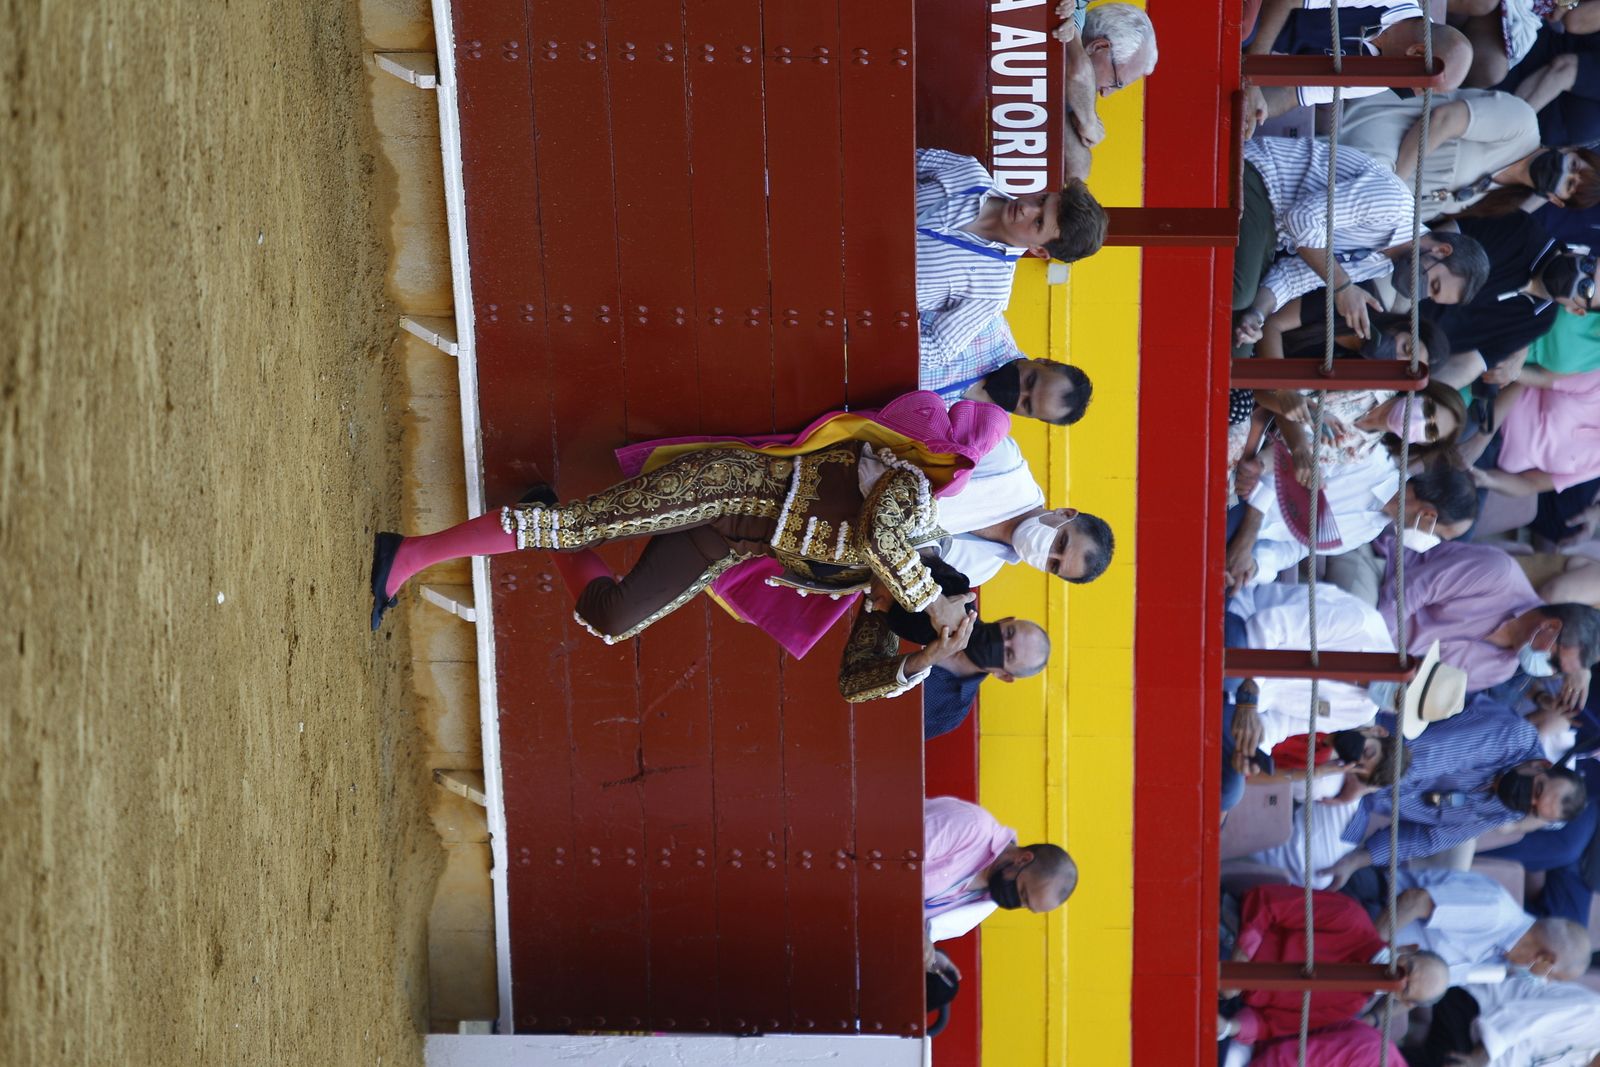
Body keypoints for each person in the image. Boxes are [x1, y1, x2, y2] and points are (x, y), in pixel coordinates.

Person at [370, 391, 1010, 640]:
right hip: (723, 488)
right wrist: (932, 602)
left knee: (614, 619)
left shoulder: (867, 583)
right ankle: (407, 555)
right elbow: (882, 536)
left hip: (719, 545)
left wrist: (927, 647)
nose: (872, 605)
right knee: (572, 526)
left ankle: (541, 515)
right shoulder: (914, 499)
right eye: (886, 602)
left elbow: (860, 678)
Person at [1232, 137, 1489, 347]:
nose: (1421, 292)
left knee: (1238, 343)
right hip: (1259, 178)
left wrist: (1256, 317)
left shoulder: (1383, 266)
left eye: (1430, 296)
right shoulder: (1395, 205)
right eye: (1433, 284)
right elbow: (1301, 218)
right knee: (1239, 293)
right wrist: (1343, 288)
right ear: (1441, 250)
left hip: (1269, 230)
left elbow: (1292, 277)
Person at [1319, 696, 1589, 889]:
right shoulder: (1512, 737)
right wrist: (1363, 786)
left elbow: (1426, 839)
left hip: (1363, 797)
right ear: (1543, 764)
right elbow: (1422, 756)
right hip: (1372, 740)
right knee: (1321, 785)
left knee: (1320, 872)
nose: (1526, 797)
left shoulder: (1503, 810)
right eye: (1537, 788)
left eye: (1532, 807)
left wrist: (1357, 860)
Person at [915, 147, 1107, 373]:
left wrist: (885, 323)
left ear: (1039, 251)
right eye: (1042, 199)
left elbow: (937, 351)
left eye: (1038, 222)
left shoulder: (992, 290)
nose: (1027, 207)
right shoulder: (967, 172)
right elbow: (893, 151)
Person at [1218, 884, 1450, 1045]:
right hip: (1229, 933)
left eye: (1406, 987)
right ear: (1408, 949)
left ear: (1405, 1001)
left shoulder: (1348, 1007)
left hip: (1226, 993)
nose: (1399, 978)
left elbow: (1268, 1025)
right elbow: (1266, 902)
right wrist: (1240, 962)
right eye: (1407, 967)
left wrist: (1228, 1028)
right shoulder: (1352, 919)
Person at [1377, 533, 1600, 697]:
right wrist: (1376, 651)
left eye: (1558, 671)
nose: (1549, 670)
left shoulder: (1499, 671)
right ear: (1551, 626)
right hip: (1379, 584)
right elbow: (1408, 590)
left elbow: (1427, 689)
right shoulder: (1500, 575)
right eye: (1555, 661)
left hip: (1379, 658)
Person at [1339, 89, 1600, 222]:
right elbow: (1444, 120)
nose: (1564, 172)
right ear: (1569, 150)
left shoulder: (1500, 200)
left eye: (1569, 184)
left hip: (1375, 189)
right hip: (1382, 127)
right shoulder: (1523, 125)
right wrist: (1394, 182)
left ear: (1556, 200)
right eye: (1574, 165)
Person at [1225, 455, 1478, 591]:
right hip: (1237, 498)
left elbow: (1296, 548)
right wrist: (1244, 543)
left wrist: (1254, 567)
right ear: (1429, 516)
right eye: (1440, 536)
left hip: (1242, 542)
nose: (1433, 543)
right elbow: (1281, 462)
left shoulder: (1368, 531)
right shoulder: (1367, 459)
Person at [1429, 213, 1596, 390]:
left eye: (1585, 287)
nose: (1579, 274)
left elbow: (1471, 362)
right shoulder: (1523, 231)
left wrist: (1424, 394)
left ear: (1576, 310)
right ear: (1582, 252)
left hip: (1411, 345)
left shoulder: (1540, 322)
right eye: (1589, 265)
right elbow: (1430, 242)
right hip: (1406, 284)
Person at [1342, 867, 1592, 982]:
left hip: (1374, 956)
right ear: (1546, 960)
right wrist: (1371, 953)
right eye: (1553, 978)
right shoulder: (1495, 912)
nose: (1544, 983)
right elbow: (1414, 901)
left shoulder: (1498, 962)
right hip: (1370, 907)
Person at [1245, 0, 1473, 124]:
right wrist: (1253, 79)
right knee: (1245, 30)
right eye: (1424, 87)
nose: (1417, 94)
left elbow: (1293, 93)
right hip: (1250, 15)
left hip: (1252, 45)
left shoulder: (1384, 76)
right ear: (1416, 52)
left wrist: (1253, 114)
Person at [922, 795, 1076, 954]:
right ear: (1023, 859)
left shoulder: (984, 903)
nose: (1016, 903)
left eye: (1026, 906)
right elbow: (896, 850)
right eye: (1022, 892)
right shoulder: (972, 826)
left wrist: (932, 957)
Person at [918, 313, 1093, 425]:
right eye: (1030, 381)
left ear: (1032, 418)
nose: (1018, 392)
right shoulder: (985, 326)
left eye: (1026, 404)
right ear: (1044, 361)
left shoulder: (976, 431)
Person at [1052, 1, 1159, 178]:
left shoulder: (1078, 94)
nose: (1106, 93)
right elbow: (1079, 72)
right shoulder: (1064, 15)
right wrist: (1088, 122)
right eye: (1116, 82)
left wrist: (1067, 115)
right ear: (1098, 47)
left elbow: (1077, 174)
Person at [1402, 973, 1600, 1067]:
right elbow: (1521, 1017)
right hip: (1477, 1007)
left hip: (1485, 1053)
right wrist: (1478, 1059)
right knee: (1447, 1063)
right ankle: (1375, 1056)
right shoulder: (1592, 1014)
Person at [1472, 367, 1600, 501]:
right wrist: (1481, 439)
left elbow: (1531, 484)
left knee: (1463, 515)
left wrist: (1486, 480)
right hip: (1493, 410)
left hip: (1492, 464)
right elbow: (1531, 375)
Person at [920, 617, 1051, 739]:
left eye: (1008, 654)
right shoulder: (957, 602)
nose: (1002, 643)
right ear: (1005, 620)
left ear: (1004, 676)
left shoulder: (952, 711)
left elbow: (901, 737)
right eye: (1009, 632)